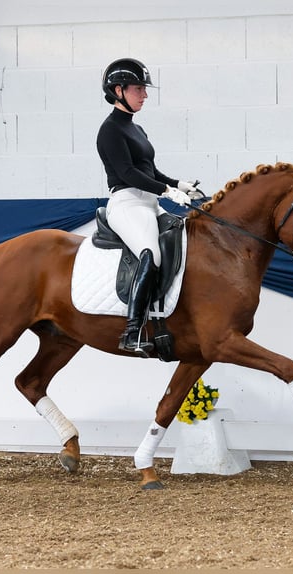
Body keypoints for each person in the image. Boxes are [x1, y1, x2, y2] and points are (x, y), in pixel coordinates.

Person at [96, 57, 200, 357]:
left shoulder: (136, 129)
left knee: (183, 238)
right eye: (138, 89)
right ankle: (131, 331)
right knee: (150, 254)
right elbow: (129, 174)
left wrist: (179, 185)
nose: (144, 95)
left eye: (144, 89)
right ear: (119, 90)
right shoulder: (110, 131)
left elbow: (150, 172)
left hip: (148, 201)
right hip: (126, 202)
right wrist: (166, 191)